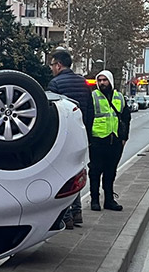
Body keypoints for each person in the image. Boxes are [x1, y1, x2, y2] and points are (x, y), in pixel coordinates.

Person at [48, 49, 94, 228]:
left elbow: (54, 113)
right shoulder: (83, 83)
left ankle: (66, 216)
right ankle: (77, 213)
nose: (51, 68)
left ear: (59, 65)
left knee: (63, 177)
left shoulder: (55, 84)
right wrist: (87, 134)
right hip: (80, 134)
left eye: (52, 64)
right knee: (76, 173)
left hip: (63, 136)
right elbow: (90, 111)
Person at [88, 69, 129, 212]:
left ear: (110, 81)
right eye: (99, 80)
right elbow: (87, 118)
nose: (102, 83)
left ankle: (109, 200)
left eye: (104, 80)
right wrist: (88, 139)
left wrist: (124, 137)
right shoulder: (93, 96)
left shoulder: (119, 97)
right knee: (95, 171)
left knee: (110, 172)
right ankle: (94, 200)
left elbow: (126, 118)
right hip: (98, 141)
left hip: (115, 141)